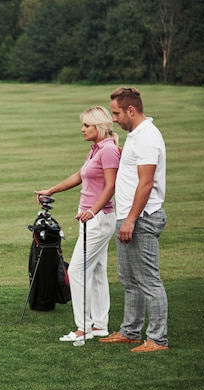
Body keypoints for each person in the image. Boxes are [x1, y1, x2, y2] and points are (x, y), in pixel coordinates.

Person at [35, 106, 120, 343]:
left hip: (98, 218)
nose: (82, 129)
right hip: (94, 217)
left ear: (99, 127)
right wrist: (51, 190)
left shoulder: (109, 151)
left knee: (77, 271)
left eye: (87, 125)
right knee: (97, 271)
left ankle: (83, 328)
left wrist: (92, 211)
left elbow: (110, 187)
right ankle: (100, 325)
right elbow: (79, 176)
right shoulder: (96, 149)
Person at [99, 87, 169, 353]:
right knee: (129, 279)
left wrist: (130, 220)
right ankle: (130, 331)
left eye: (116, 113)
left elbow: (146, 183)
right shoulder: (136, 135)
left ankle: (158, 340)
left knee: (149, 281)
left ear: (131, 110)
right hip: (128, 217)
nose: (114, 119)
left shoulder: (147, 137)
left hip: (141, 218)